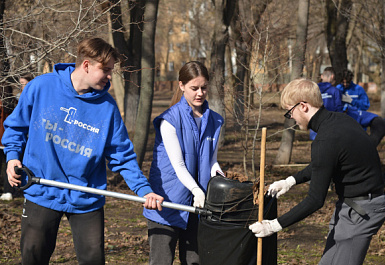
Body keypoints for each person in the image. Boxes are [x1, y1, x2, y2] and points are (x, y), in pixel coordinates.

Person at [1, 37, 164, 265]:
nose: (109, 76)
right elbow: (16, 127)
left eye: (111, 70)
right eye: (105, 70)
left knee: (93, 260)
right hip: (41, 188)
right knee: (32, 257)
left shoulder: (107, 108)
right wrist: (11, 158)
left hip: (86, 196)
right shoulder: (41, 87)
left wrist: (144, 190)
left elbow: (122, 156)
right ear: (86, 65)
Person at [249, 78, 385, 265]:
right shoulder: (340, 121)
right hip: (350, 206)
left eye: (290, 111)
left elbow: (315, 200)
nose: (290, 118)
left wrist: (273, 225)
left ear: (303, 106)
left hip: (363, 210)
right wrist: (290, 181)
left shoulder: (325, 139)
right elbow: (322, 164)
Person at [143, 61, 224, 265]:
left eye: (204, 88)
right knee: (161, 261)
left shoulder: (215, 120)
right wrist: (197, 190)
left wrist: (221, 178)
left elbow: (211, 160)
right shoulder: (170, 120)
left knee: (194, 261)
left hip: (198, 206)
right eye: (194, 88)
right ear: (181, 86)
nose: (200, 93)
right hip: (167, 202)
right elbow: (178, 165)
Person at [310, 67, 344, 140]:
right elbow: (339, 109)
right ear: (332, 76)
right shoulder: (335, 91)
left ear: (322, 76)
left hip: (315, 124)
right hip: (331, 125)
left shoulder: (313, 90)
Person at [0, 85, 18, 201]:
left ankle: (7, 191)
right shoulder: (15, 103)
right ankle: (8, 191)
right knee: (9, 166)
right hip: (9, 140)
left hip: (3, 138)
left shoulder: (3, 104)